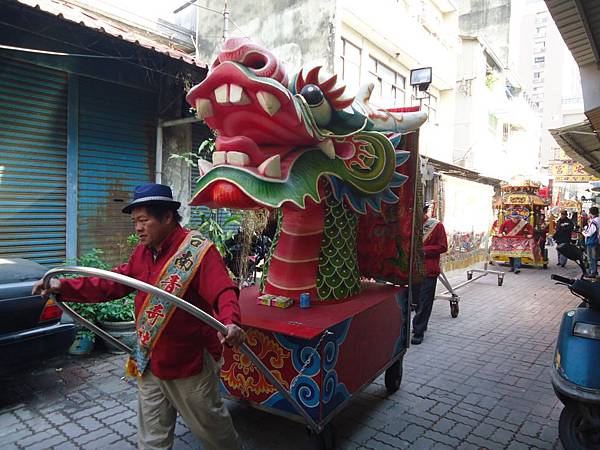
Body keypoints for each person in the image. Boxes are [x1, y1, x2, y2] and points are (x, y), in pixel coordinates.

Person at [33, 183, 244, 450]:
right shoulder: (143, 253)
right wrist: (62, 286)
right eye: (135, 221)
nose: (137, 228)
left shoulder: (197, 251)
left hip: (189, 364)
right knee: (151, 439)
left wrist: (230, 321)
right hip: (150, 360)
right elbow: (113, 284)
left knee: (216, 435)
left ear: (167, 217)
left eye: (143, 220)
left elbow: (223, 290)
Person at [411, 204, 448, 345]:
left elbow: (443, 246)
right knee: (415, 300)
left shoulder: (436, 226)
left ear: (425, 212)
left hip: (428, 269)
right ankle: (420, 324)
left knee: (425, 300)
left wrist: (423, 250)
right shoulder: (411, 225)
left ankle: (418, 331)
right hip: (413, 269)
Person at [582, 206, 600, 278]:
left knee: (591, 258)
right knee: (593, 257)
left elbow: (590, 233)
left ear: (591, 213)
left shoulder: (594, 221)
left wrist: (584, 232)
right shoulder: (597, 220)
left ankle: (593, 272)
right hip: (596, 241)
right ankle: (592, 271)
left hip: (592, 241)